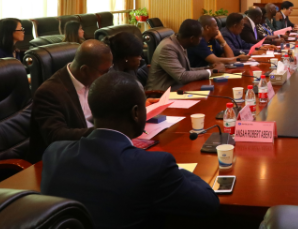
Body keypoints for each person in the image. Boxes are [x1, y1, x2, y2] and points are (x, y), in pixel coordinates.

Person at [41, 72, 220, 229]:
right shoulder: (155, 166)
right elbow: (208, 203)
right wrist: (177, 170)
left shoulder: (54, 153)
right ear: (136, 113)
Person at [28, 40, 113, 162]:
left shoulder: (93, 79)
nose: (107, 76)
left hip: (92, 149)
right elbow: (56, 136)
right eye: (104, 72)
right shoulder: (49, 92)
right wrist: (101, 132)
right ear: (84, 70)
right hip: (61, 159)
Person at [145, 19, 213, 92]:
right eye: (200, 37)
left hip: (177, 88)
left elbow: (187, 70)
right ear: (192, 39)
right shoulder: (167, 48)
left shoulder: (180, 43)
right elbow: (182, 76)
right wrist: (209, 72)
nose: (201, 39)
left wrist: (209, 68)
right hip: (161, 93)